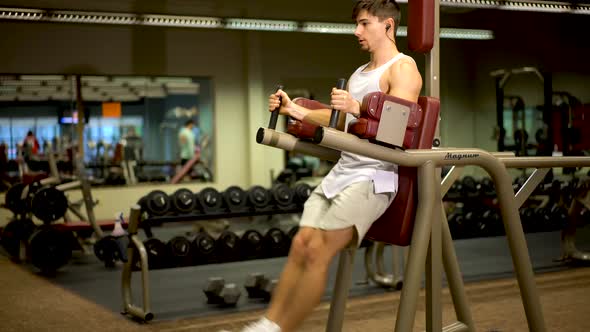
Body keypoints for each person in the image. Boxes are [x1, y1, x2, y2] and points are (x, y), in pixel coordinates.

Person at [230, 1, 422, 331]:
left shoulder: (403, 69)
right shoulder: (359, 74)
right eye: (356, 25)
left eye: (364, 24)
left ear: (388, 25)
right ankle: (265, 324)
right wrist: (295, 111)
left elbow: (396, 130)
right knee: (301, 244)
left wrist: (359, 107)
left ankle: (278, 329)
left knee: (317, 252)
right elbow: (340, 121)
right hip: (344, 171)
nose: (356, 31)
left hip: (375, 177)